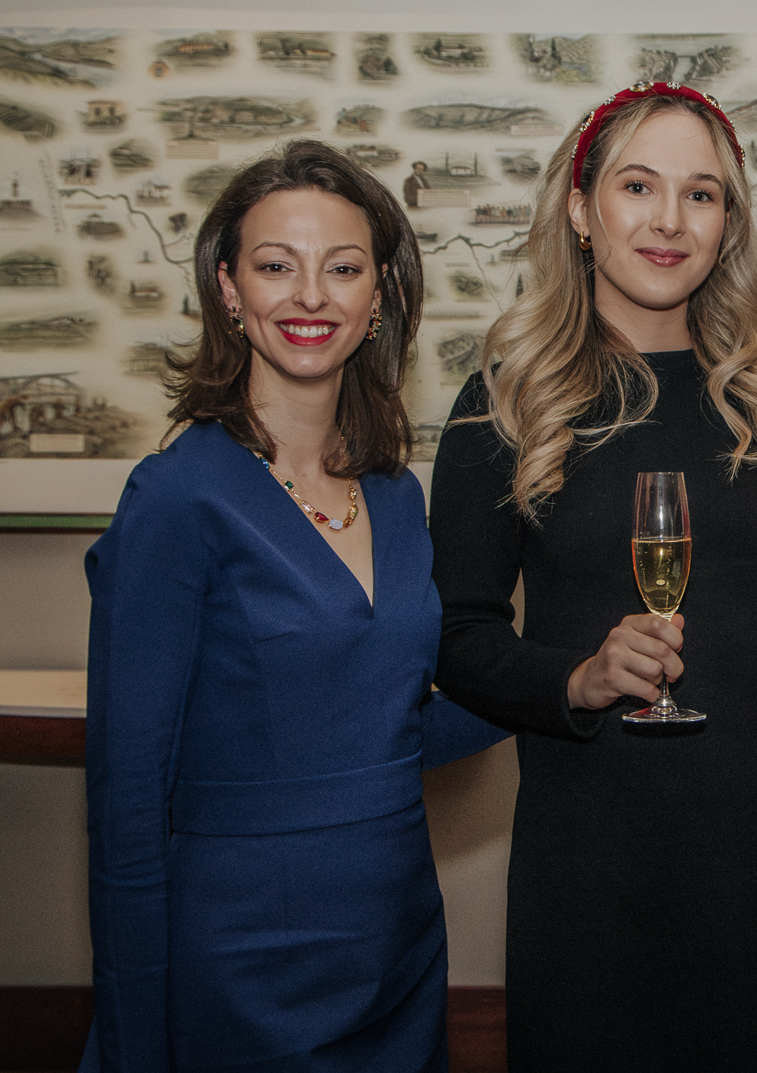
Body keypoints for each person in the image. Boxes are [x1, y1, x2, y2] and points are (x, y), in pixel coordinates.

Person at [428, 82, 757, 1072]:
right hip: (601, 853)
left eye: (700, 194)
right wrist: (577, 678)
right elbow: (458, 637)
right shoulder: (505, 397)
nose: (669, 219)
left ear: (728, 224)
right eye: (637, 186)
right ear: (581, 209)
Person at [81, 140, 508, 1073]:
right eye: (276, 266)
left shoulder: (393, 494)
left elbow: (384, 735)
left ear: (380, 294)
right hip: (240, 967)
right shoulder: (176, 498)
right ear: (228, 288)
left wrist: (557, 673)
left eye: (343, 268)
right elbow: (125, 803)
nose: (310, 295)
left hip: (396, 953)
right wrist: (133, 1042)